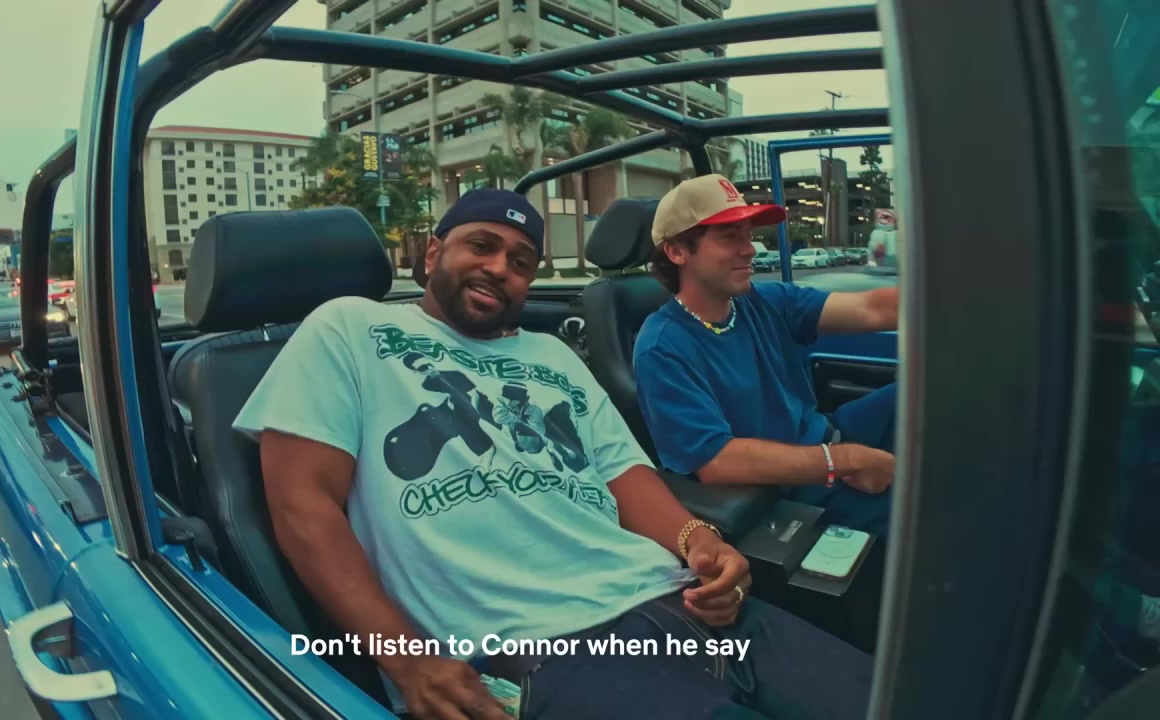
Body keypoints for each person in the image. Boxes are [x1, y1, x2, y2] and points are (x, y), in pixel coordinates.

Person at [234, 189, 872, 720]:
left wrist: (701, 543)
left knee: (897, 694)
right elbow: (303, 506)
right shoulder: (349, 327)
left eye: (520, 261)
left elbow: (624, 473)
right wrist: (409, 661)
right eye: (480, 246)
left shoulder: (551, 354)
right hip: (544, 650)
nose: (499, 268)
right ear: (433, 253)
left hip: (676, 600)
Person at [634, 174, 900, 536]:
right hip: (789, 489)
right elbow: (716, 460)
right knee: (925, 511)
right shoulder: (661, 348)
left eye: (747, 236)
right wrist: (845, 462)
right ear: (677, 251)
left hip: (830, 435)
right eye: (729, 237)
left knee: (931, 389)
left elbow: (871, 309)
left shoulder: (764, 301)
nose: (750, 250)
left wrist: (955, 295)